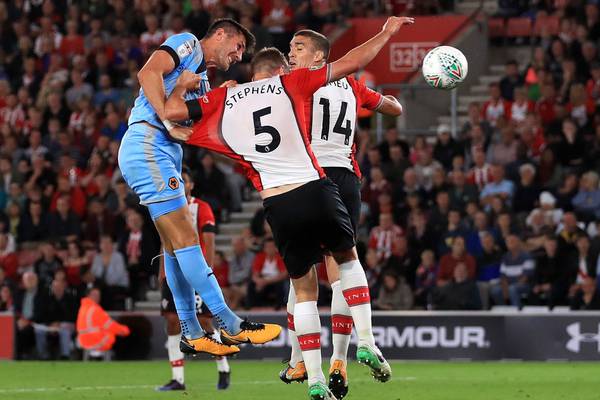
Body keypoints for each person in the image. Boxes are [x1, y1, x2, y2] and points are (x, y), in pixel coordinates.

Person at [164, 16, 415, 399]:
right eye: (290, 51)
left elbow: (177, 119)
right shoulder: (298, 85)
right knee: (345, 264)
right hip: (323, 183)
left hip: (277, 203)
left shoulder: (227, 103)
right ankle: (358, 345)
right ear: (280, 70)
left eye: (299, 47)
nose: (293, 54)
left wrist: (182, 93)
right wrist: (387, 33)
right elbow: (360, 71)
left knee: (303, 288)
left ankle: (309, 370)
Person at [117, 19, 280, 356]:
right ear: (220, 35)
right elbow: (147, 74)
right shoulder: (188, 44)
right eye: (236, 47)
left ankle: (191, 331)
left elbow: (198, 130)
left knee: (176, 248)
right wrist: (166, 118)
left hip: (161, 150)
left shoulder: (204, 83)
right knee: (187, 239)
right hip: (149, 142)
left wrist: (225, 99)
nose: (238, 55)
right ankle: (229, 323)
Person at [157, 166, 231, 391]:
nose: (180, 184)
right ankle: (177, 378)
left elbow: (209, 240)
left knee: (205, 323)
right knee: (171, 321)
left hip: (195, 272)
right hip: (174, 272)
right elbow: (165, 240)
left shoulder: (202, 207)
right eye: (177, 180)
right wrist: (162, 270)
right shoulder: (167, 206)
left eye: (184, 181)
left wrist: (204, 271)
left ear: (190, 185)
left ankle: (223, 367)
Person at [76, 287, 130, 353]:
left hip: (82, 341)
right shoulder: (95, 309)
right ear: (88, 295)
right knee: (113, 334)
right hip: (95, 340)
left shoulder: (83, 308)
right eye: (94, 295)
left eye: (98, 295)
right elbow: (110, 325)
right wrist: (125, 330)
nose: (97, 297)